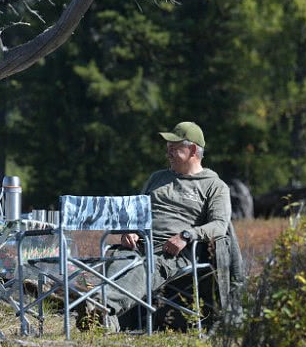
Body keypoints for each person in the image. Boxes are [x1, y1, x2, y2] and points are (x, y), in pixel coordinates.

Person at [82, 121, 233, 331]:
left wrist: (187, 235)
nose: (168, 152)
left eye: (174, 147)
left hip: (175, 251)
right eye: (168, 148)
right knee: (120, 260)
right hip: (141, 243)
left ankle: (98, 308)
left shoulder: (214, 186)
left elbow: (219, 225)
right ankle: (100, 314)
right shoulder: (157, 178)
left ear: (191, 150)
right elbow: (135, 212)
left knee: (148, 267)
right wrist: (130, 230)